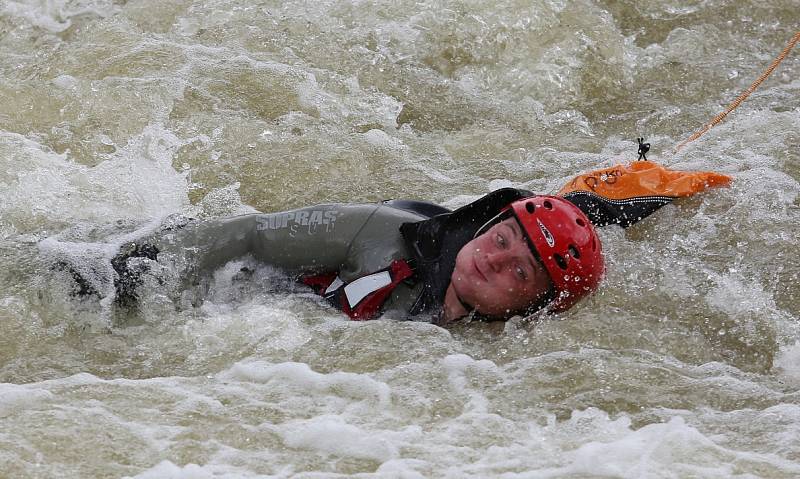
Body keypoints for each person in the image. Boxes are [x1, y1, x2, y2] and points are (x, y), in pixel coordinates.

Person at [46, 188, 604, 325]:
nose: (492, 258)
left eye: (520, 270)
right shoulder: (378, 234)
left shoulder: (493, 345)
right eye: (501, 238)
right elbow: (247, 235)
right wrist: (123, 276)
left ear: (537, 306)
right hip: (170, 255)